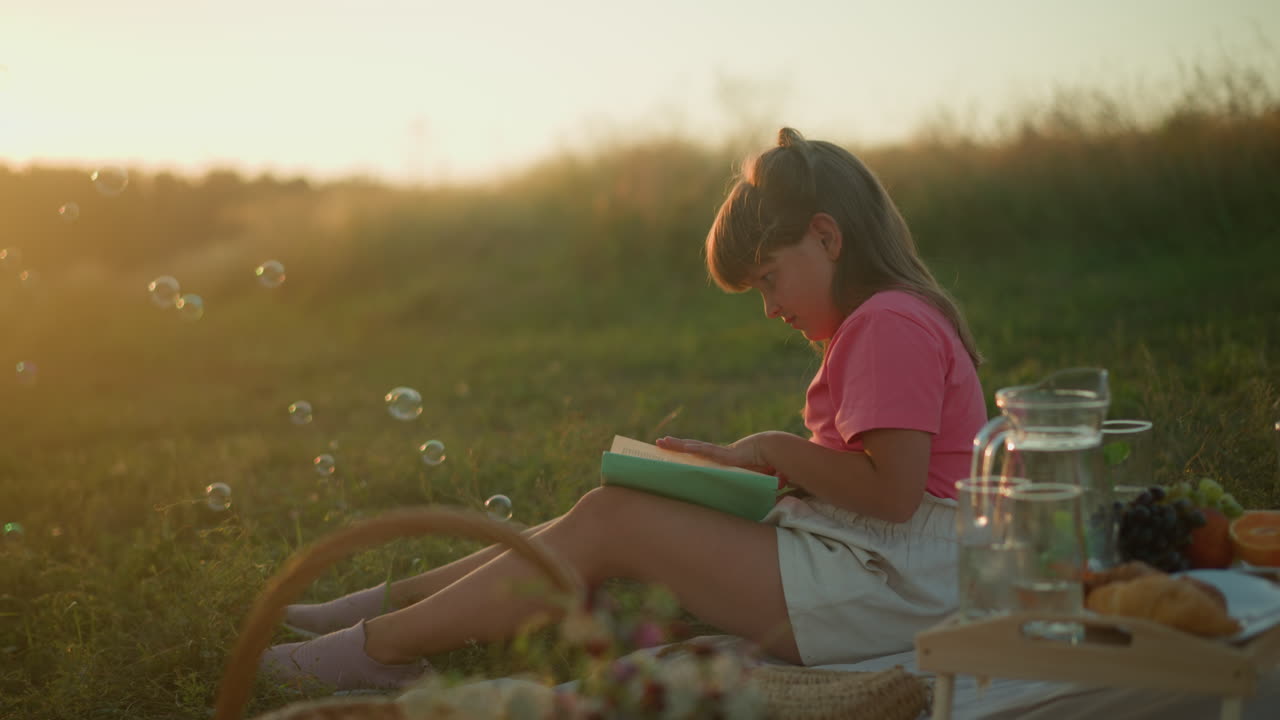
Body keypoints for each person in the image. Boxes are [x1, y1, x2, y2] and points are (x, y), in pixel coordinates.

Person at [259, 127, 987, 691]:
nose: (769, 308)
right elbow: (879, 480)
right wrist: (745, 480)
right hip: (876, 569)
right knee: (613, 503)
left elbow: (893, 495)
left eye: (770, 278)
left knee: (613, 519)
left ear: (827, 237)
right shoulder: (883, 320)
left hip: (897, 589)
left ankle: (379, 650)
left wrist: (770, 450)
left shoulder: (887, 323)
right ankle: (378, 612)